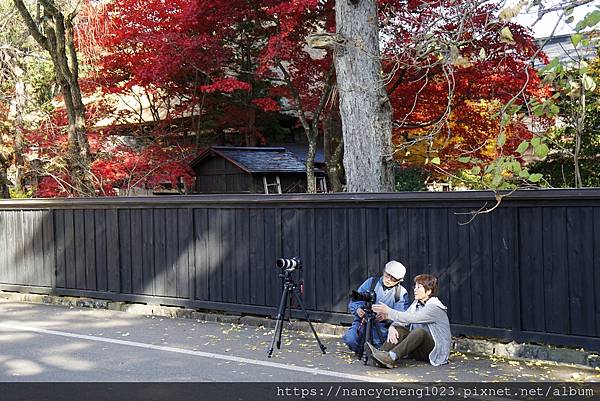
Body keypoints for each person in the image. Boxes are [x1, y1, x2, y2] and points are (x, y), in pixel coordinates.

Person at [368, 274, 451, 368]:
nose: (415, 290)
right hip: (417, 349)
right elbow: (404, 319)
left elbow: (412, 318)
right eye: (415, 286)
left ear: (428, 291)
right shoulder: (416, 303)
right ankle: (380, 354)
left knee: (419, 332)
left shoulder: (434, 307)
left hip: (435, 351)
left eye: (419, 287)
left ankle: (391, 358)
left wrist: (388, 311)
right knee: (399, 329)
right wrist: (392, 327)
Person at [342, 260, 410, 355]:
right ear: (384, 271)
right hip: (363, 322)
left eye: (393, 278)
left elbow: (402, 316)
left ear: (400, 280)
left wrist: (388, 317)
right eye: (387, 275)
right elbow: (355, 300)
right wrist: (358, 310)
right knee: (351, 339)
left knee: (383, 346)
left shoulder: (401, 293)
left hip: (384, 326)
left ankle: (376, 352)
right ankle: (362, 350)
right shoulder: (371, 283)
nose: (388, 279)